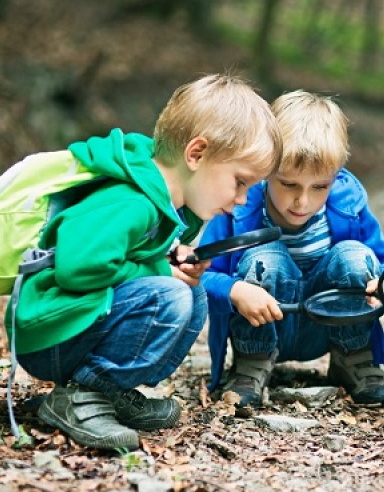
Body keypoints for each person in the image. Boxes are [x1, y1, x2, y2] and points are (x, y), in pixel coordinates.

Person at [5, 74, 282, 450]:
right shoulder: (131, 201)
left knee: (191, 293)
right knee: (170, 296)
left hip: (72, 324)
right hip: (49, 332)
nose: (243, 200)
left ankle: (105, 392)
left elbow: (128, 257)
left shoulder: (158, 201)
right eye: (240, 182)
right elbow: (78, 267)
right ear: (196, 154)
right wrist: (158, 270)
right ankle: (80, 396)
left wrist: (168, 260)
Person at [201, 90, 384, 412]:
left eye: (319, 187)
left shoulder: (348, 204)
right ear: (266, 170)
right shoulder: (239, 208)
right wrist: (235, 290)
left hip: (327, 324)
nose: (302, 202)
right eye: (288, 184)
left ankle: (352, 357)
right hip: (263, 323)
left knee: (355, 255)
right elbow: (203, 276)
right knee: (266, 258)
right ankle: (252, 364)